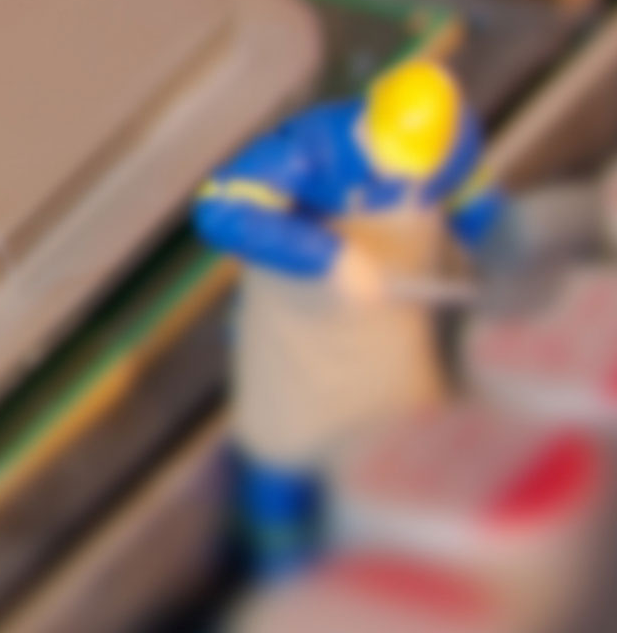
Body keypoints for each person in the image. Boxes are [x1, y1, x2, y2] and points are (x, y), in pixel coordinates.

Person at [194, 59, 497, 574]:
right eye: (391, 155)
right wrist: (328, 257)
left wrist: (500, 250)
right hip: (296, 341)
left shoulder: (451, 138)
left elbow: (472, 193)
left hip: (392, 332)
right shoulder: (314, 147)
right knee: (283, 457)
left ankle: (400, 562)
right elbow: (220, 208)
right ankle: (285, 574)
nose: (399, 171)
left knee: (405, 447)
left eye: (411, 163)